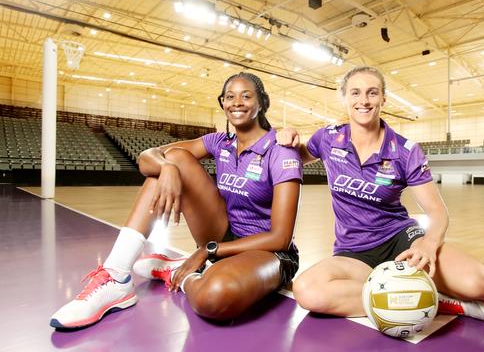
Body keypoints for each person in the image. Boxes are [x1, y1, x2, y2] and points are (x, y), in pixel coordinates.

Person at [276, 66, 484, 321]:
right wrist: (286, 137)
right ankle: (437, 300)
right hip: (354, 252)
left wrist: (428, 243)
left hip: (401, 240)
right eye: (355, 92)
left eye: (372, 92)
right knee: (307, 291)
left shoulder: (405, 150)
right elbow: (295, 156)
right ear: (345, 98)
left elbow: (437, 211)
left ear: (383, 98)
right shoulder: (327, 138)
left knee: (483, 286)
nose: (364, 100)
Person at [50, 72, 303, 329]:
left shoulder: (280, 151)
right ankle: (116, 277)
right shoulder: (220, 142)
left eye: (246, 96)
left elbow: (280, 238)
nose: (237, 102)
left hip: (268, 251)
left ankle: (177, 273)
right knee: (175, 160)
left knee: (213, 298)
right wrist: (168, 168)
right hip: (224, 235)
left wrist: (207, 250)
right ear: (222, 103)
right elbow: (148, 157)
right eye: (230, 97)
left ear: (262, 102)